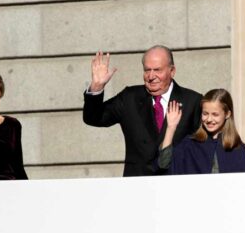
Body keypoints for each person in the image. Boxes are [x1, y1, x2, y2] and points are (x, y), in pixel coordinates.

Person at [83, 46, 202, 177]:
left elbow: (204, 148)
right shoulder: (129, 98)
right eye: (147, 70)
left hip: (176, 184)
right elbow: (93, 117)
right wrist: (97, 86)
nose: (151, 76)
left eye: (157, 70)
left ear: (172, 71)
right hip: (137, 186)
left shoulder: (193, 101)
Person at [158, 88, 245, 174]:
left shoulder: (237, 149)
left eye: (215, 114)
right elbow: (163, 164)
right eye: (205, 113)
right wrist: (171, 128)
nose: (209, 119)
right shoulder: (190, 145)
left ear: (227, 114)